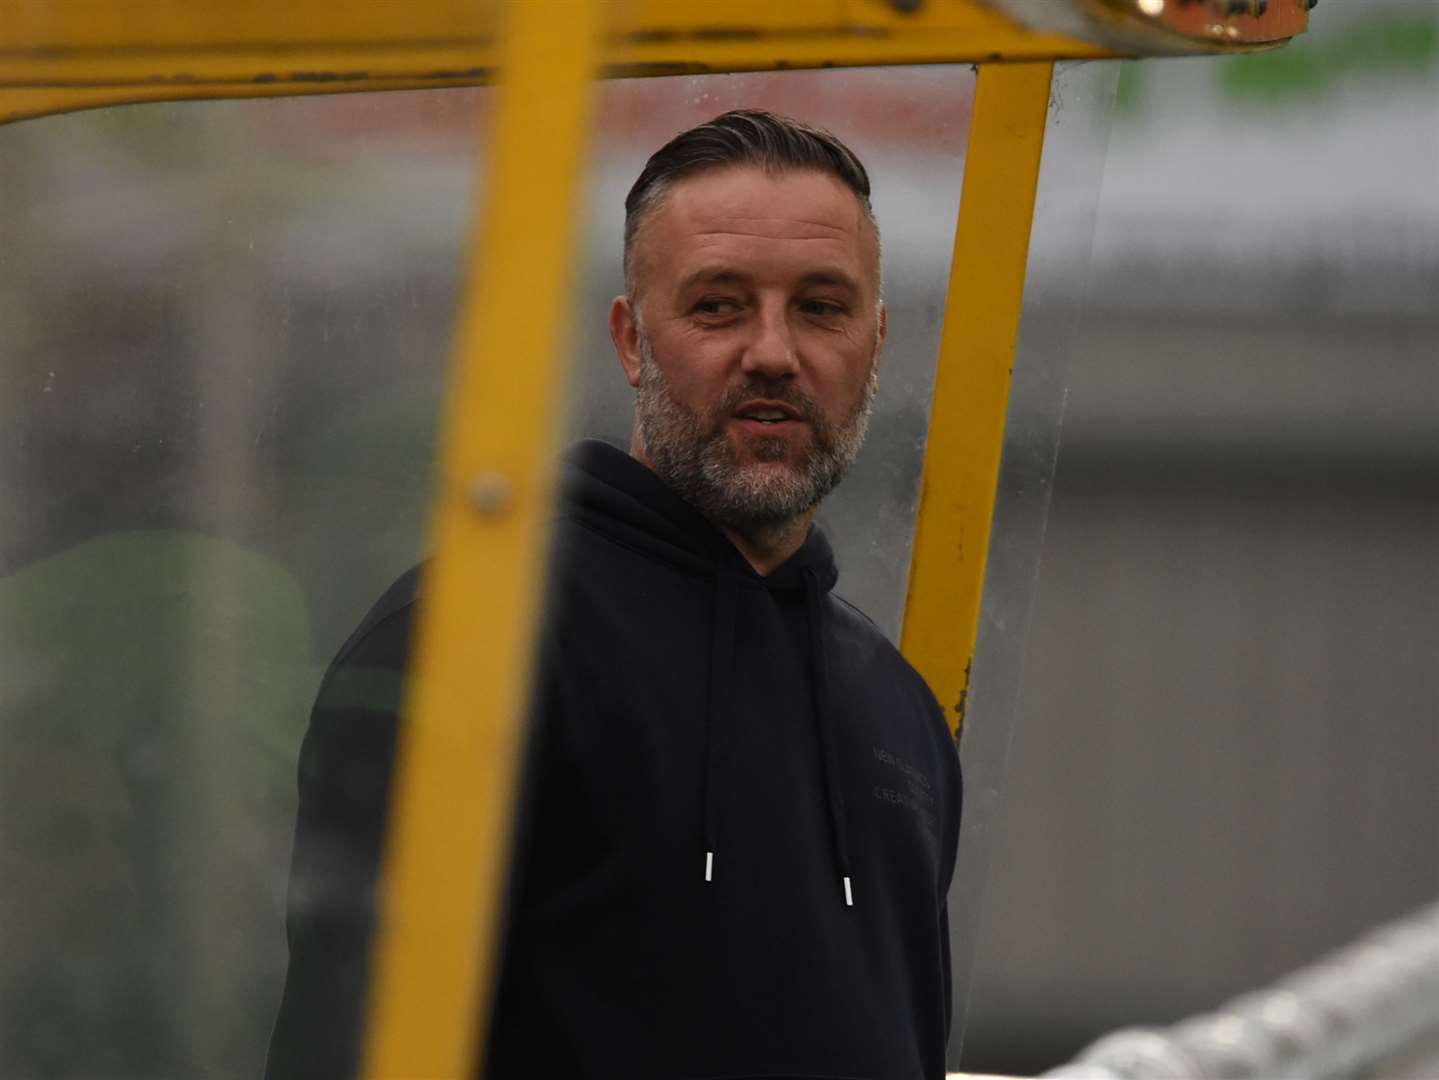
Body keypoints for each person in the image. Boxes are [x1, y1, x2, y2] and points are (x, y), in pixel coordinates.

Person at [267, 109, 962, 1080]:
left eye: (820, 306)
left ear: (873, 344)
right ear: (631, 341)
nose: (772, 351)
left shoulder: (897, 710)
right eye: (718, 305)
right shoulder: (473, 640)